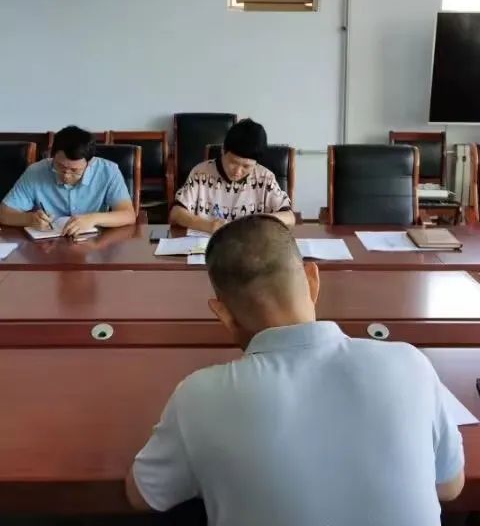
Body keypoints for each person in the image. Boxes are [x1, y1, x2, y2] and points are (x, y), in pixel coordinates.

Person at [127, 216, 464, 526]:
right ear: (313, 280)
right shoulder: (410, 364)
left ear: (223, 314)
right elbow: (450, 486)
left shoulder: (198, 398)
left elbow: (141, 495)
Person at [0, 125, 136, 236]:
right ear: (52, 156)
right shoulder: (36, 172)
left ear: (90, 163)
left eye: (75, 170)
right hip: (46, 247)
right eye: (60, 166)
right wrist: (30, 219)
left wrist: (93, 218)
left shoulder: (108, 171)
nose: (66, 176)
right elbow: (4, 213)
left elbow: (128, 215)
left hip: (93, 244)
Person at [169, 118, 295, 233]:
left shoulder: (265, 178)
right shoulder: (201, 173)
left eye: (246, 166)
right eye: (233, 163)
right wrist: (209, 226)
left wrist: (263, 221)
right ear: (223, 150)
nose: (238, 171)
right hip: (207, 244)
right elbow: (175, 213)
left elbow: (289, 217)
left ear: (256, 163)